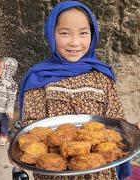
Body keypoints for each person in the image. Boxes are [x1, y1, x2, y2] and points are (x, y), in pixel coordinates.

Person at [19, 1, 132, 179]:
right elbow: (32, 128)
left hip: (99, 169)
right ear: (51, 34)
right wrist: (23, 148)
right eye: (64, 33)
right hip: (54, 171)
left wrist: (131, 129)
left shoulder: (102, 77)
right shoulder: (38, 78)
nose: (74, 42)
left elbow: (116, 124)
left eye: (83, 33)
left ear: (92, 35)